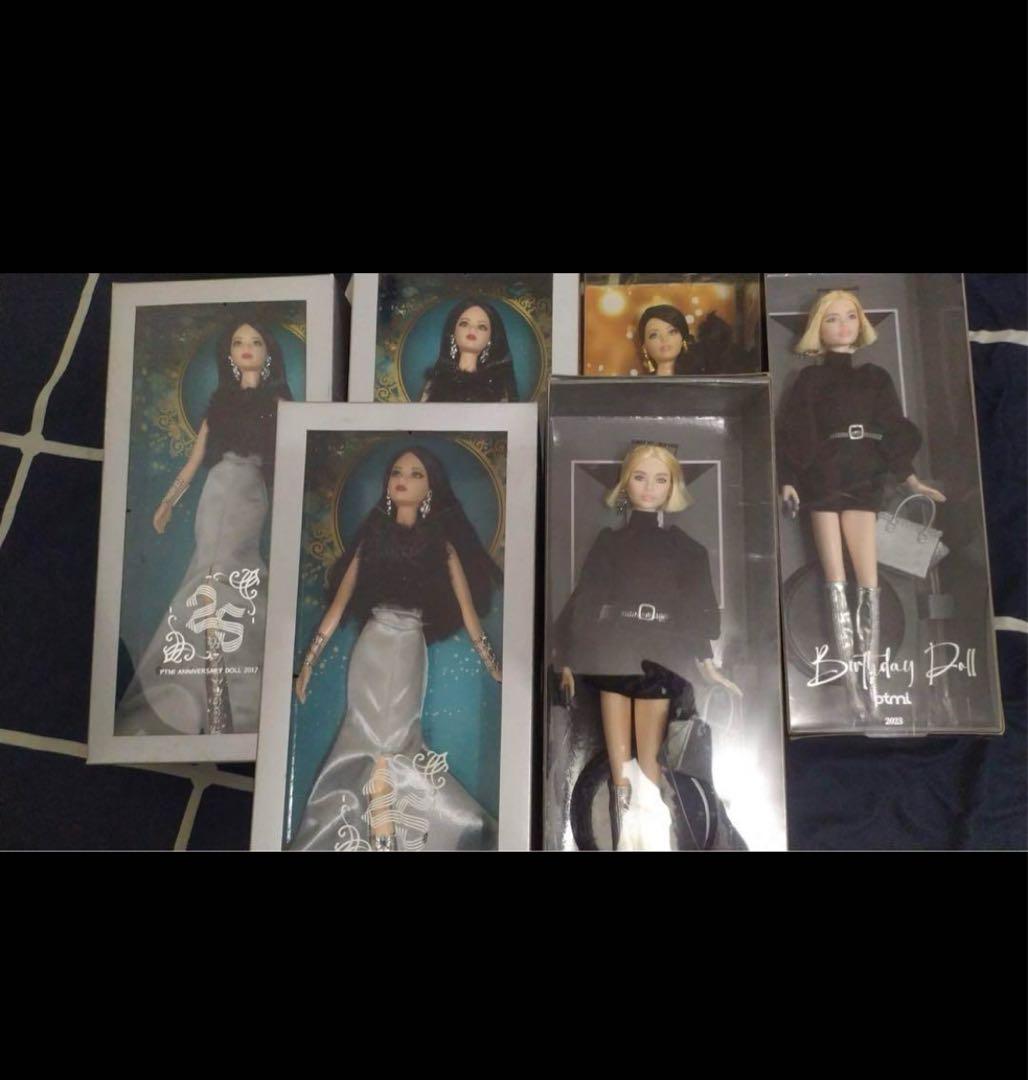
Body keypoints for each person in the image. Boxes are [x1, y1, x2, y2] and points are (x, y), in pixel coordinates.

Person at [290, 445, 503, 851]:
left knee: (393, 745)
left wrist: (493, 664)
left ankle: (394, 837)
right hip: (372, 647)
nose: (403, 479)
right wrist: (308, 663)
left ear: (431, 488)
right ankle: (383, 837)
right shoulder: (372, 539)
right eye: (397, 472)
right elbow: (337, 607)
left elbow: (469, 614)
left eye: (416, 474)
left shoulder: (441, 546)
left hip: (408, 649)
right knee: (367, 740)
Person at [552, 442, 740, 850]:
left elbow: (695, 612)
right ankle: (622, 841)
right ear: (625, 484)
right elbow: (585, 598)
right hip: (613, 650)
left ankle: (654, 838)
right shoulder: (609, 542)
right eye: (639, 477)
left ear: (672, 486)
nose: (649, 487)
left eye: (660, 479)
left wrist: (708, 665)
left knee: (652, 759)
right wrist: (566, 657)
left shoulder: (686, 548)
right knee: (619, 764)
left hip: (659, 655)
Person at [115, 318, 292, 736]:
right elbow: (195, 461)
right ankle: (203, 683)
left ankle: (237, 689)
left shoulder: (279, 403)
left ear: (268, 352)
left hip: (251, 494)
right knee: (207, 570)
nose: (246, 347)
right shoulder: (220, 403)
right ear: (228, 354)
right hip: (216, 492)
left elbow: (287, 459)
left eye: (256, 341)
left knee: (234, 568)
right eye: (238, 342)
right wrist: (168, 501)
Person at [777, 290, 945, 722]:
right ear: (819, 328)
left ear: (861, 323)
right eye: (832, 319)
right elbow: (795, 431)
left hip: (864, 475)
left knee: (867, 580)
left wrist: (911, 479)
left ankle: (871, 681)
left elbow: (893, 428)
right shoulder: (810, 380)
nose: (842, 325)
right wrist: (789, 480)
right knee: (834, 579)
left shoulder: (876, 377)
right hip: (822, 477)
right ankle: (852, 688)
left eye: (850, 316)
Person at [420, 296, 519, 402]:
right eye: (464, 324)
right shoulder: (436, 383)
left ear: (490, 338)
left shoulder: (497, 387)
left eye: (481, 327)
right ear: (453, 332)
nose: (472, 330)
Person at [636, 304, 698, 376]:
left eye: (672, 332)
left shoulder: (699, 379)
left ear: (682, 337)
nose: (664, 339)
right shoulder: (640, 383)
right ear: (644, 346)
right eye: (654, 335)